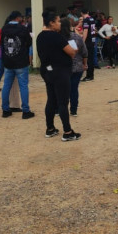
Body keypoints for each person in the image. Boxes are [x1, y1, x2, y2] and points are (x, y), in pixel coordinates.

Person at [36, 11, 80, 141]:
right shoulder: (56, 37)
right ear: (51, 23)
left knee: (51, 99)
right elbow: (71, 52)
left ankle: (50, 128)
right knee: (62, 102)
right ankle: (68, 131)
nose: (60, 24)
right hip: (60, 72)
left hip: (47, 70)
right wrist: (74, 51)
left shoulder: (40, 36)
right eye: (58, 21)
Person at [0, 11, 35, 119]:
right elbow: (29, 42)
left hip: (8, 61)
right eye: (21, 18)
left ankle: (5, 110)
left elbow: (2, 43)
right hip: (21, 61)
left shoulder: (4, 28)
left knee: (6, 85)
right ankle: (26, 111)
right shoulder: (23, 28)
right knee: (23, 86)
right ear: (18, 18)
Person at [62, 18, 87, 118]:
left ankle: (60, 109)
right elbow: (84, 52)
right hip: (77, 67)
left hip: (63, 68)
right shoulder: (77, 37)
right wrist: (85, 64)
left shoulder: (59, 37)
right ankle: (73, 110)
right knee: (74, 89)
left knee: (62, 90)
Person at [81, 8, 97, 82]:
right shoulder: (92, 19)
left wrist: (83, 42)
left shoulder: (86, 20)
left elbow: (85, 31)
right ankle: (91, 75)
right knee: (91, 58)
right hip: (93, 40)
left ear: (81, 13)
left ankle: (89, 76)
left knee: (88, 59)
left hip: (88, 41)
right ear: (88, 12)